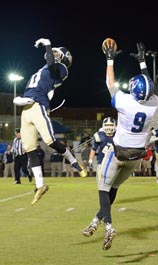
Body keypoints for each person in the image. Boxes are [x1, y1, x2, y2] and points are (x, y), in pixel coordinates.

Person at [83, 39, 158, 251]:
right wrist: (144, 63)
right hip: (136, 158)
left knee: (103, 187)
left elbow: (110, 83)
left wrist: (110, 60)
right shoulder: (155, 104)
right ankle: (95, 220)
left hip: (119, 153)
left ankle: (108, 225)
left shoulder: (126, 103)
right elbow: (151, 87)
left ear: (134, 90)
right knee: (115, 187)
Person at [13, 38, 87, 205]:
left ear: (64, 58)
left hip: (38, 105)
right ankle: (40, 185)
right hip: (26, 108)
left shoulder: (61, 69)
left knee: (50, 140)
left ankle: (75, 162)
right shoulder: (45, 68)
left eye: (57, 53)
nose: (53, 54)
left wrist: (47, 44)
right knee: (30, 149)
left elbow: (52, 65)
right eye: (53, 52)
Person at [86, 117, 116, 182]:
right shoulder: (99, 135)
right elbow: (93, 149)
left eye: (110, 125)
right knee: (101, 182)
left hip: (114, 163)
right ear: (103, 125)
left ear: (114, 125)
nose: (109, 127)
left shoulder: (118, 135)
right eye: (107, 125)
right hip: (101, 162)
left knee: (112, 182)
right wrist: (90, 161)